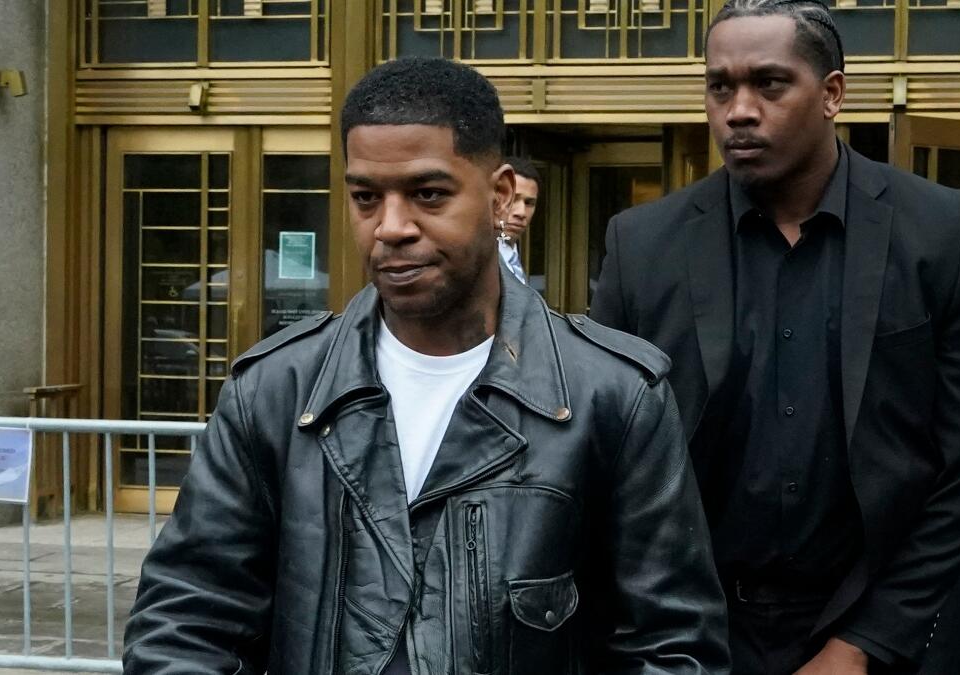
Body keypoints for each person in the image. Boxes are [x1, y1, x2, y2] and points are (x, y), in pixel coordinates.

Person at [123, 56, 729, 674]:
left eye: (428, 194)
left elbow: (672, 647)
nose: (391, 228)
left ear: (499, 196)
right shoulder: (276, 391)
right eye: (366, 198)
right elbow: (186, 621)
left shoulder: (614, 395)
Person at [590, 1, 960, 673]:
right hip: (698, 637)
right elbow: (607, 459)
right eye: (720, 86)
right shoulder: (642, 246)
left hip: (893, 634)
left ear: (832, 94)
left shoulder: (940, 229)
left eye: (769, 83)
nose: (739, 110)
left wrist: (865, 643)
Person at [498, 155, 540, 283]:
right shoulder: (473, 261)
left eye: (529, 203)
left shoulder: (512, 258)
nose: (521, 212)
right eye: (513, 199)